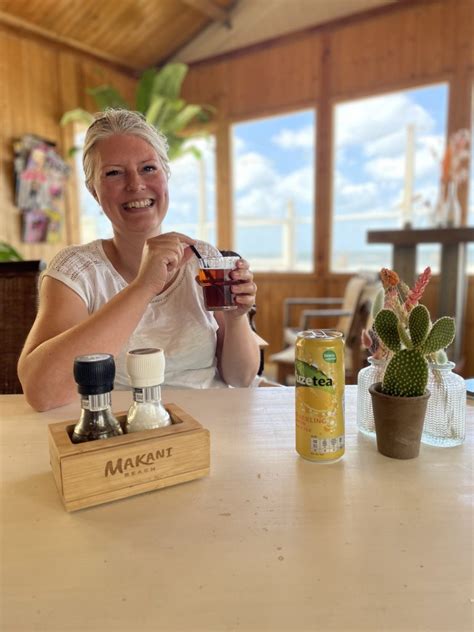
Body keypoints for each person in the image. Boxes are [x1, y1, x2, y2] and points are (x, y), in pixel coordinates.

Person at [18, 109, 260, 411]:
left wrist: (237, 319)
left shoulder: (203, 259)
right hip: (119, 439)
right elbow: (43, 393)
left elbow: (241, 377)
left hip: (212, 428)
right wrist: (144, 287)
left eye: (148, 168)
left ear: (165, 177)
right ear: (94, 191)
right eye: (114, 173)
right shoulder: (76, 271)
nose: (135, 184)